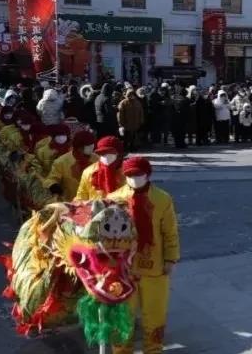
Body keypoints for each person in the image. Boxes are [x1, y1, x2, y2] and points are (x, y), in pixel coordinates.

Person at [111, 157, 180, 354]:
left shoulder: (162, 199)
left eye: (138, 174)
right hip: (123, 270)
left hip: (155, 267)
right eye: (130, 175)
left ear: (148, 174)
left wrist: (170, 258)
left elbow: (170, 232)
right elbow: (106, 237)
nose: (134, 178)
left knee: (155, 316)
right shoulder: (114, 199)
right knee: (123, 316)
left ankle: (154, 350)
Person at [44, 130, 96, 202]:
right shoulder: (61, 162)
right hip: (69, 202)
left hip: (92, 202)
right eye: (89, 146)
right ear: (79, 148)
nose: (92, 147)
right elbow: (51, 179)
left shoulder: (97, 159)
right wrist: (54, 186)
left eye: (92, 144)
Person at [74, 135, 126, 201]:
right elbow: (81, 198)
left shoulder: (128, 173)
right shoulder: (89, 172)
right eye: (102, 154)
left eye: (110, 152)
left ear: (120, 154)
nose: (106, 156)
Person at [117, 87, 145, 152]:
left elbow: (141, 112)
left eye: (132, 94)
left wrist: (141, 120)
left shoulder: (137, 102)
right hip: (126, 124)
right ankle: (125, 148)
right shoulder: (123, 103)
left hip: (135, 123)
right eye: (130, 94)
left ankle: (132, 147)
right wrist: (121, 123)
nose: (131, 96)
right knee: (126, 137)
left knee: (134, 137)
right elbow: (120, 114)